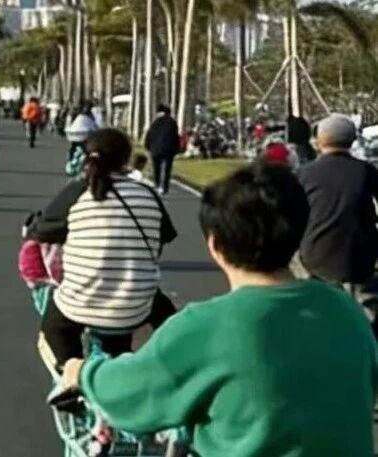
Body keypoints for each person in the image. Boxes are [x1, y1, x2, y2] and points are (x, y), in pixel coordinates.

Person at [59, 163, 377, 457]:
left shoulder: (206, 327)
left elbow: (130, 393)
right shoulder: (345, 310)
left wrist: (82, 372)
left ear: (215, 245)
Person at [40, 128, 176, 364]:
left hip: (80, 305)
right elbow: (164, 236)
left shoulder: (78, 191)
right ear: (125, 159)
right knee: (168, 318)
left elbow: (43, 230)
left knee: (54, 328)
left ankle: (70, 372)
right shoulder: (147, 193)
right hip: (136, 306)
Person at [297, 115, 378, 321]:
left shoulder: (304, 174)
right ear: (352, 140)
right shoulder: (365, 171)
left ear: (319, 140)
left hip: (315, 255)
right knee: (367, 306)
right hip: (358, 256)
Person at [143, 104, 181, 195]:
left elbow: (149, 135)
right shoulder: (172, 122)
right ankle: (165, 187)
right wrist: (177, 149)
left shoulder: (155, 122)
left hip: (155, 149)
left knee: (156, 167)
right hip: (169, 149)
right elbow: (175, 137)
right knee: (167, 169)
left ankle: (157, 184)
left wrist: (147, 146)